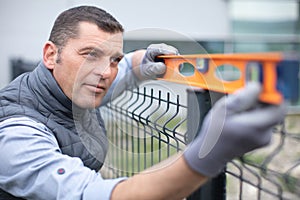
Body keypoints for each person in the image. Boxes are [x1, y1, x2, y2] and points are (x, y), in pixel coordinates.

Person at [0, 5, 286, 200]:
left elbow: (121, 72)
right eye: (89, 55)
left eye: (113, 59)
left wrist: (142, 61)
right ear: (51, 55)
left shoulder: (74, 89)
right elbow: (100, 195)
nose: (104, 72)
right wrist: (208, 154)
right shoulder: (17, 136)